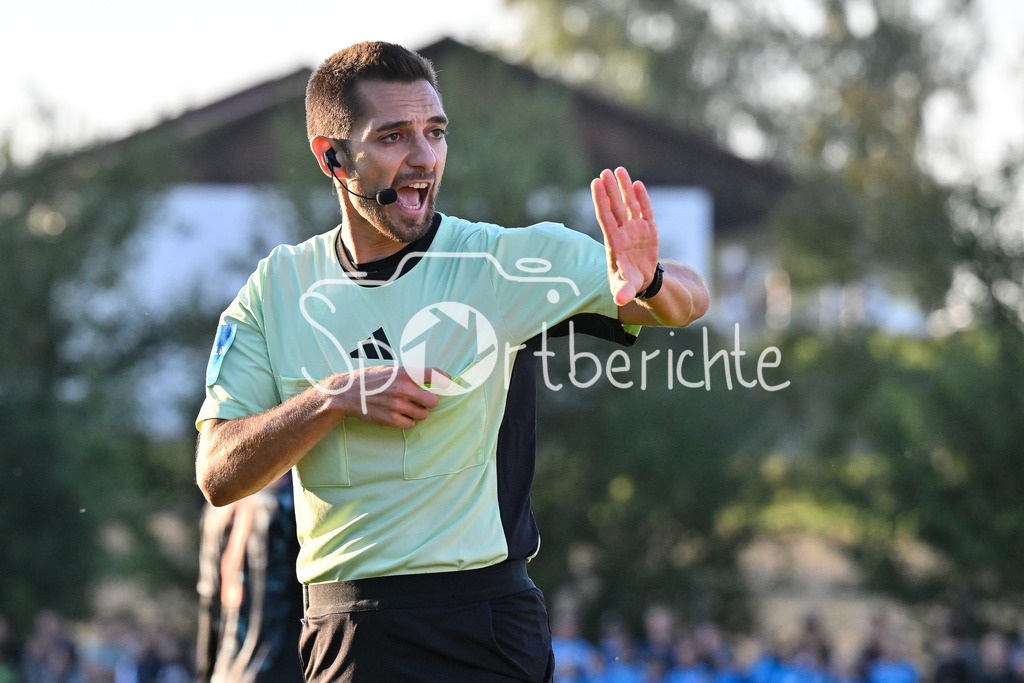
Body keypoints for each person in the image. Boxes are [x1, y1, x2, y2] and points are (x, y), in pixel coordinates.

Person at [194, 40, 709, 682]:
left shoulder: (501, 265)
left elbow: (689, 300)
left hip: (485, 627)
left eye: (435, 133)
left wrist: (650, 279)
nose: (423, 158)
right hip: (346, 634)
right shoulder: (274, 290)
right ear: (332, 157)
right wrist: (331, 399)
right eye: (393, 137)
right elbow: (217, 474)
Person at [196, 473, 303, 682]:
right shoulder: (293, 499)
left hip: (227, 672)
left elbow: (209, 604)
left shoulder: (218, 505)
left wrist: (205, 675)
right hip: (286, 667)